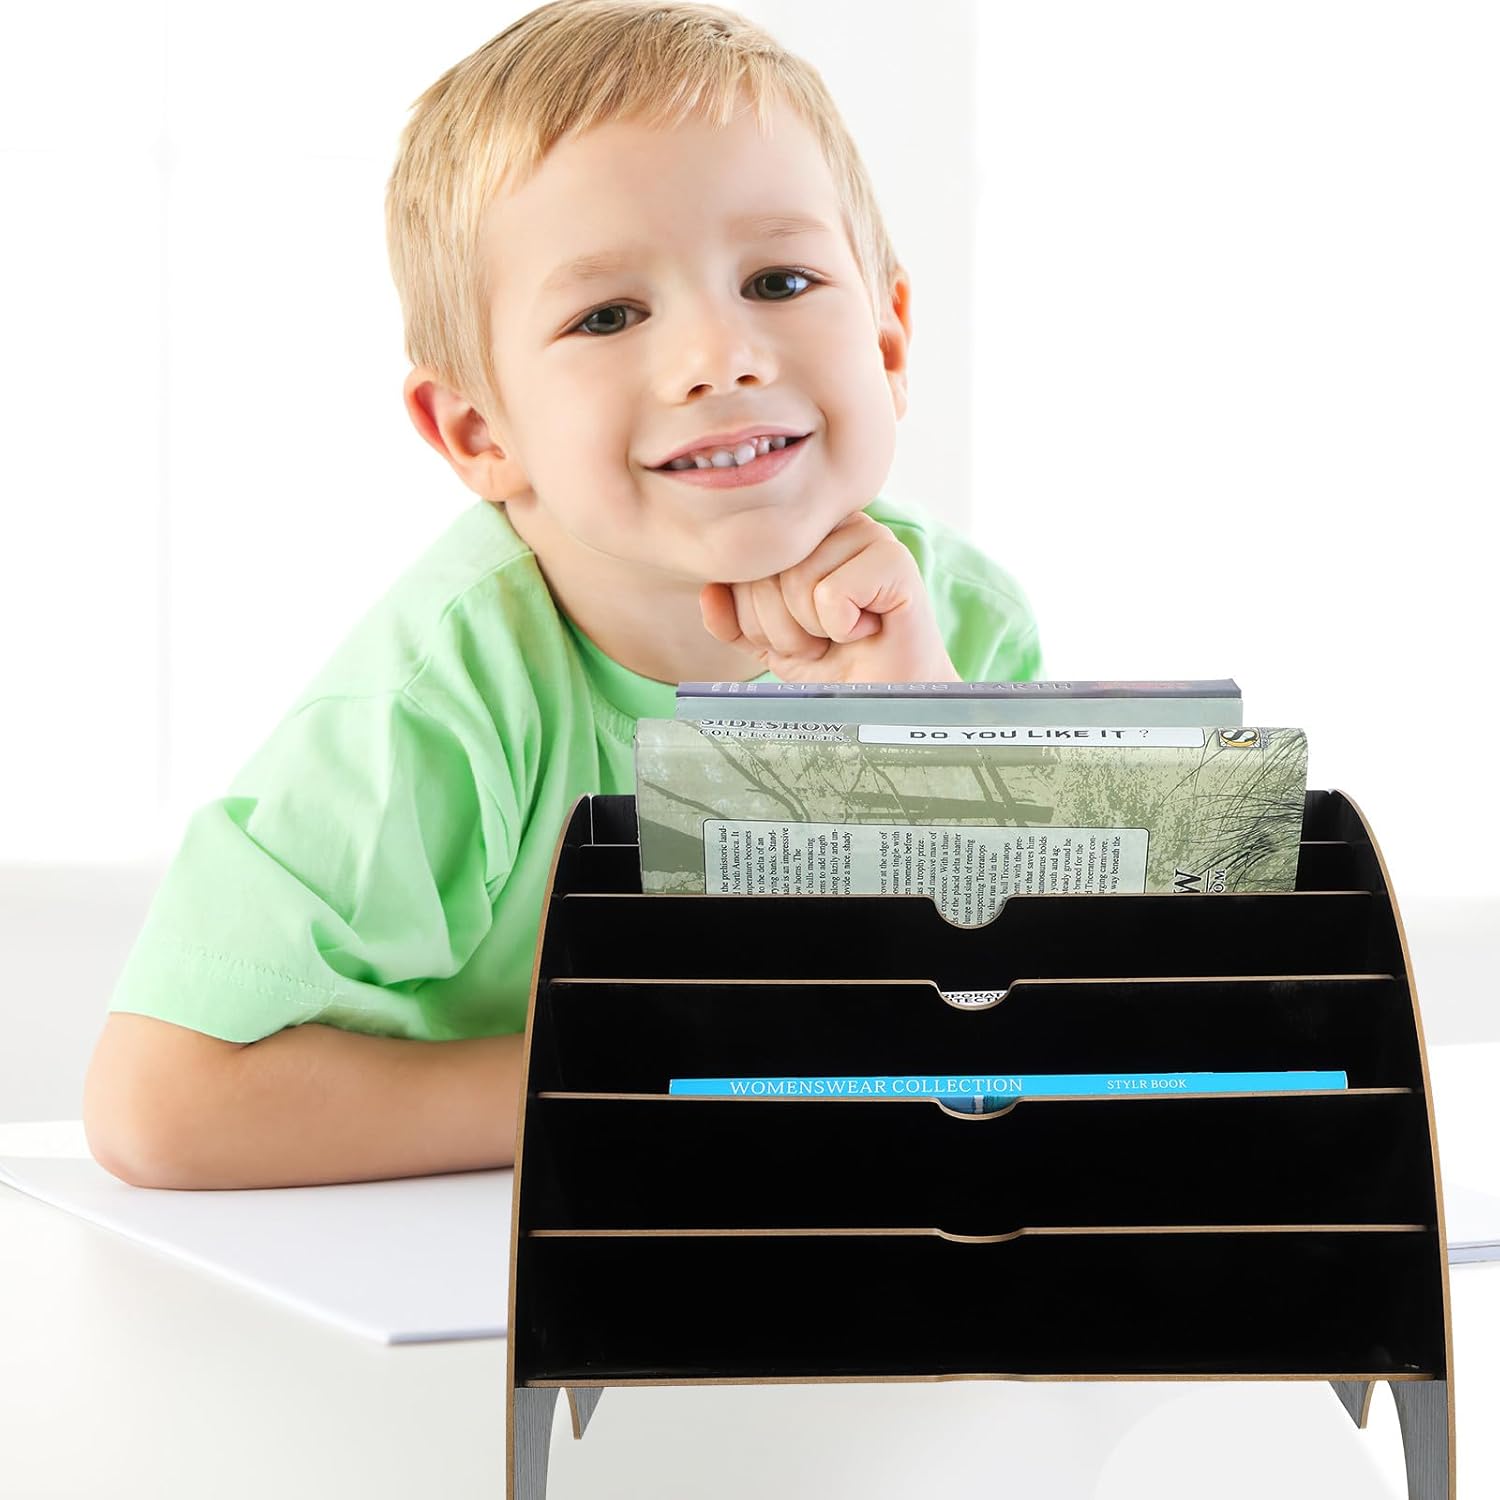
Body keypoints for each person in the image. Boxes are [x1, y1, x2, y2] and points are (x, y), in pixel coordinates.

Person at [82, 0, 1043, 1190]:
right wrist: (632, 1075)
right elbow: (158, 1106)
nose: (722, 357)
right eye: (608, 315)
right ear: (480, 432)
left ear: (890, 345)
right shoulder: (441, 700)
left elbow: (997, 1030)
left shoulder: (957, 621)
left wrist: (913, 727)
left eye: (779, 278)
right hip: (451, 1225)